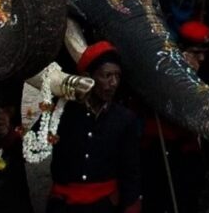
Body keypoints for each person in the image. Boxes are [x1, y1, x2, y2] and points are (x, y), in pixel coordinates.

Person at [48, 41, 142, 213]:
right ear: (88, 77)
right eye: (106, 76)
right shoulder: (62, 112)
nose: (113, 83)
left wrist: (130, 204)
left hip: (104, 206)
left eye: (117, 76)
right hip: (64, 206)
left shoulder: (125, 119)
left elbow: (131, 169)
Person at [139, 22, 209, 213]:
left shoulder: (205, 72)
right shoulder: (164, 70)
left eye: (205, 52)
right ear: (182, 51)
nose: (202, 58)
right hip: (160, 148)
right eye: (197, 52)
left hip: (189, 152)